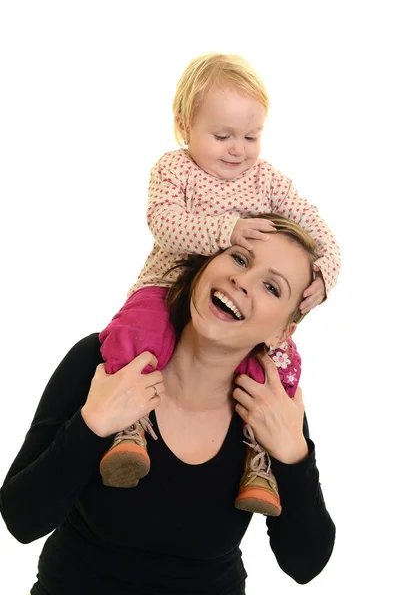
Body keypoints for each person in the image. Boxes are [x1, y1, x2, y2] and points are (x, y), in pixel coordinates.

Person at [0, 215, 336, 595]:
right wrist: (91, 425)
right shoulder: (103, 362)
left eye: (272, 287)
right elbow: (21, 520)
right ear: (206, 263)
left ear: (282, 332)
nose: (241, 281)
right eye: (240, 259)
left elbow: (305, 564)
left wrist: (294, 457)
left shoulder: (271, 408)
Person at [98, 53, 341, 516]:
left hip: (232, 306)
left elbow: (319, 231)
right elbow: (163, 222)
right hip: (166, 285)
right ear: (184, 125)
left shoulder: (267, 179)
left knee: (277, 364)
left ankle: (260, 459)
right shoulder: (175, 169)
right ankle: (128, 427)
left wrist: (325, 273)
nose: (238, 150)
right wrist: (226, 232)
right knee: (139, 334)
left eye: (251, 136)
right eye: (223, 135)